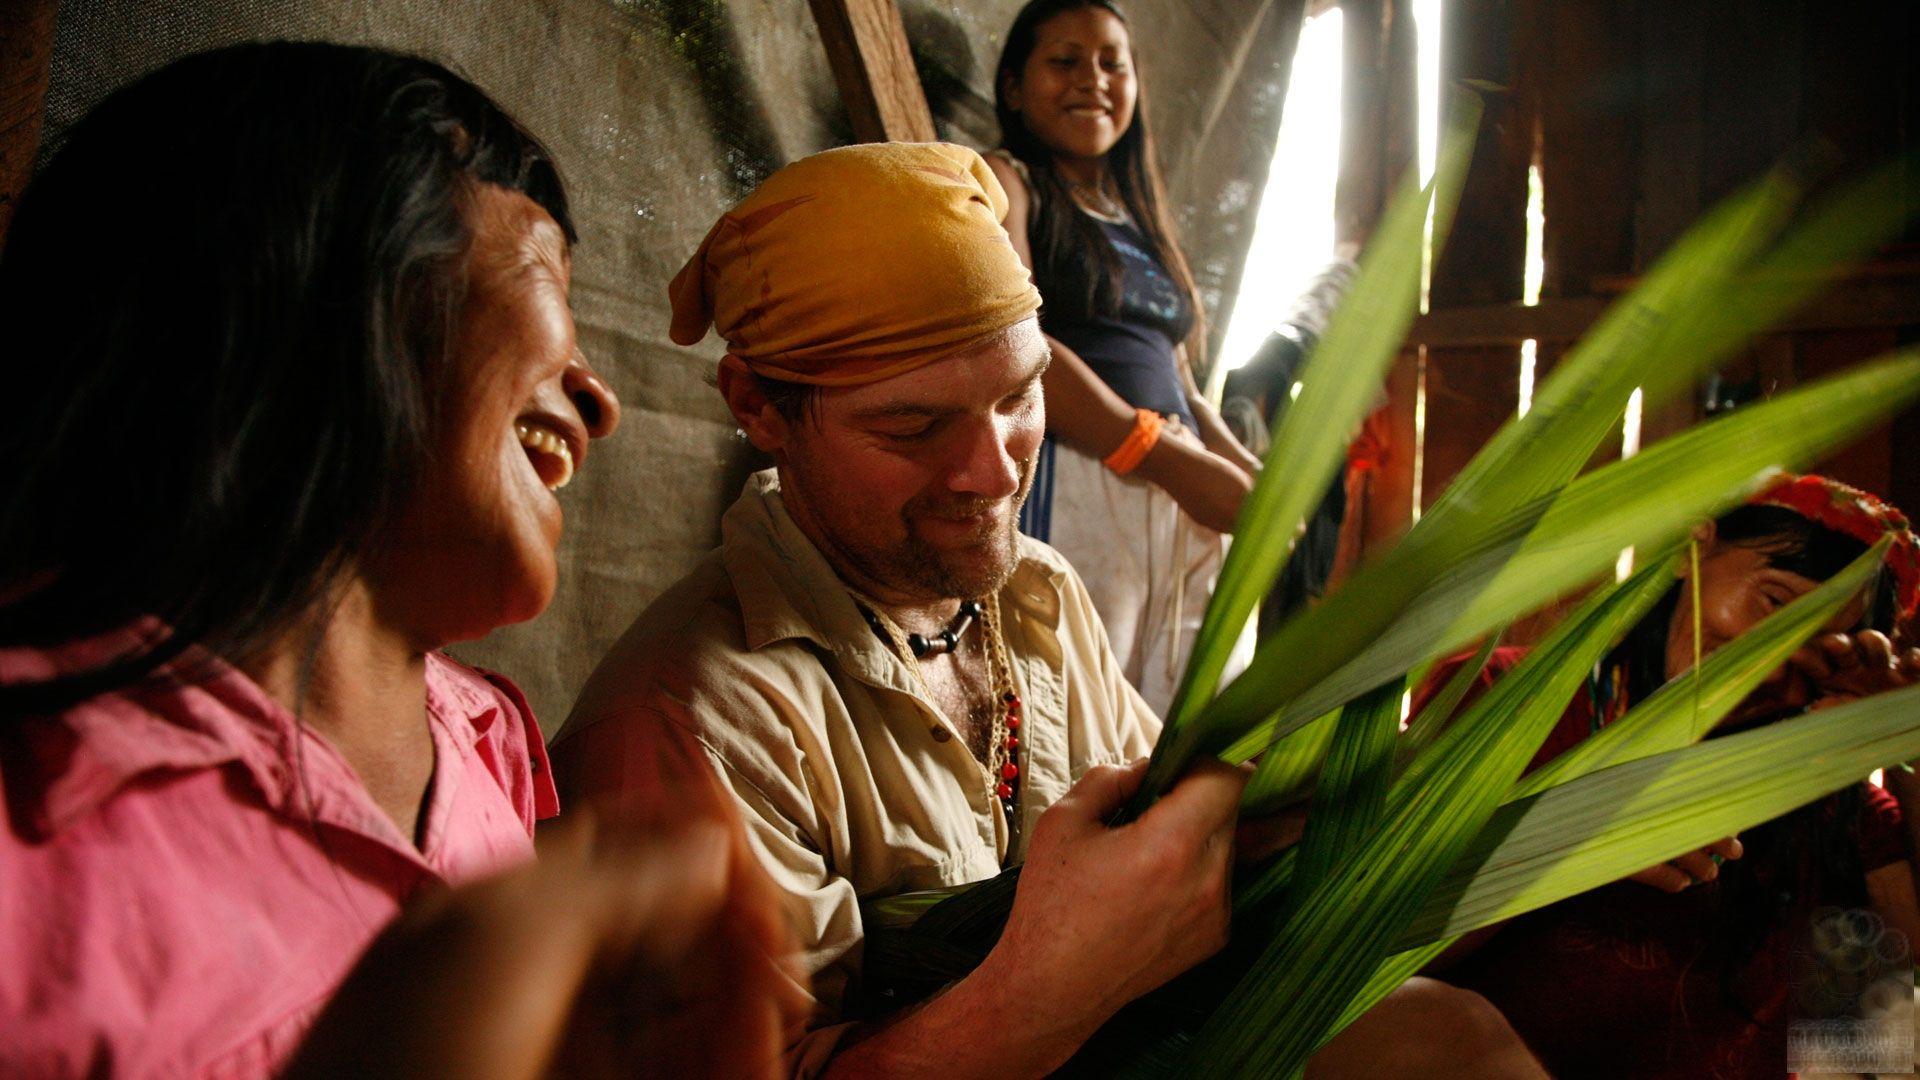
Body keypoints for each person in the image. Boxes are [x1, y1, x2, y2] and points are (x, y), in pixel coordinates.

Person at [554, 141, 1545, 1078]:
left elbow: (1171, 833)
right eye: (913, 424)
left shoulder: (1034, 594)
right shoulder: (688, 729)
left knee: (1442, 1039)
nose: (993, 473)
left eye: (1020, 397)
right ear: (760, 408)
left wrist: (1514, 829)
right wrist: (1047, 991)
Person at [0, 42, 791, 1077]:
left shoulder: (489, 746)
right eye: (542, 275)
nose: (598, 400)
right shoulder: (33, 810)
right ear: (319, 297)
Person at [1412, 474, 1920, 1078]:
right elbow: (1362, 965)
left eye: (1819, 644)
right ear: (1693, 551)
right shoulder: (1514, 705)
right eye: (1776, 604)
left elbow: (1883, 1050)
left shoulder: (1830, 805)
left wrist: (1906, 745)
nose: (1774, 658)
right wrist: (1560, 840)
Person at [985, 0, 1261, 714]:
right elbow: (1018, 339)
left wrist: (1249, 475)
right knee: (1074, 715)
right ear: (1014, 86)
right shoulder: (1006, 181)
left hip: (1182, 487)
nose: (1094, 80)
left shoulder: (1137, 219)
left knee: (1186, 721)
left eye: (1114, 62)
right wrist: (1160, 456)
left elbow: (1181, 379)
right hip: (1088, 470)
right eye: (1065, 61)